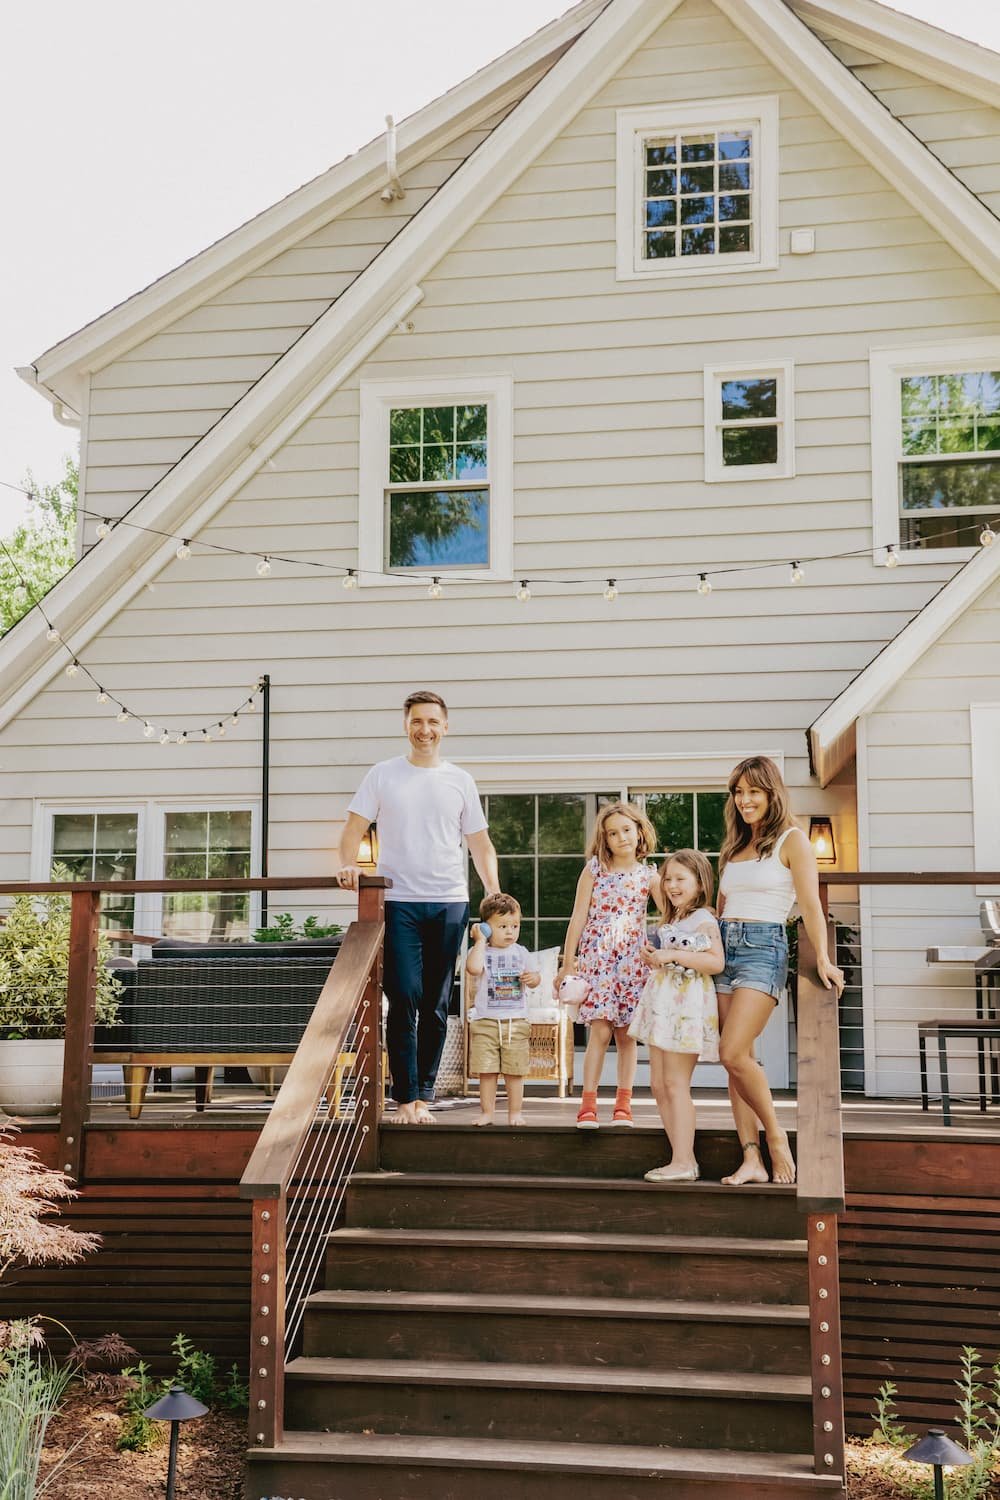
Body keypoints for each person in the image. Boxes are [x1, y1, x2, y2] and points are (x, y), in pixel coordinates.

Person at [336, 691, 499, 1125]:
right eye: (416, 721)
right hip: (400, 901)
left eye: (432, 721)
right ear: (405, 726)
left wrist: (494, 895)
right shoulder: (383, 774)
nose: (424, 729)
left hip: (449, 902)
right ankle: (403, 1097)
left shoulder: (460, 779)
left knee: (436, 1002)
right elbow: (353, 827)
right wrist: (347, 864)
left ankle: (422, 1096)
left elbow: (480, 844)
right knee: (403, 996)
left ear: (446, 727)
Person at [716, 755, 844, 1186]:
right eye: (738, 792)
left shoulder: (793, 840)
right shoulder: (733, 847)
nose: (744, 800)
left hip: (762, 949)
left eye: (753, 791)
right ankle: (750, 1159)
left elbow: (810, 906)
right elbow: (721, 906)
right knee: (739, 1062)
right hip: (724, 948)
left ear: (772, 792)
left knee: (731, 1052)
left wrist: (823, 958)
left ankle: (776, 1139)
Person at [556, 801, 662, 1129]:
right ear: (605, 838)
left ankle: (623, 1105)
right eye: (613, 833)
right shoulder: (594, 869)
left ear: (639, 831)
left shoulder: (650, 876)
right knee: (600, 1030)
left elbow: (670, 917)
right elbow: (578, 916)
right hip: (598, 960)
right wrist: (568, 962)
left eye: (627, 830)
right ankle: (588, 1104)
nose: (621, 838)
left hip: (632, 963)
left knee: (626, 1035)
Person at [629, 849, 724, 1182]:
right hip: (663, 1005)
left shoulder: (703, 920)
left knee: (674, 1083)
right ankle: (681, 1157)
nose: (671, 885)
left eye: (680, 879)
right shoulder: (671, 921)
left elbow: (715, 962)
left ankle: (684, 1161)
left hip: (685, 1007)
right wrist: (654, 956)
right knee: (657, 1084)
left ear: (699, 884)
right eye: (667, 878)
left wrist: (672, 954)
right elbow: (671, 956)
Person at [465, 893, 541, 1126]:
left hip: (515, 1022)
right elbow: (473, 969)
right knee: (486, 1072)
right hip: (486, 1021)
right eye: (502, 926)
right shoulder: (481, 952)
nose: (510, 931)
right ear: (486, 928)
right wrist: (479, 941)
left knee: (514, 1071)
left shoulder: (521, 952)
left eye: (514, 926)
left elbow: (536, 978)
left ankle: (515, 1112)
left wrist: (532, 978)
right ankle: (487, 1113)